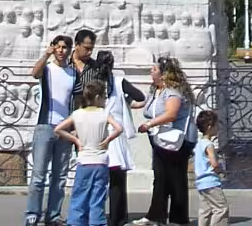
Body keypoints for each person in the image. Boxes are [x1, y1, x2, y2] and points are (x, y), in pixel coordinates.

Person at [135, 57, 195, 225]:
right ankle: (156, 215)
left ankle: (179, 218)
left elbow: (171, 114)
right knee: (161, 177)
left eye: (154, 69)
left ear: (163, 74)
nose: (150, 72)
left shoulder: (173, 92)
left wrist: (148, 124)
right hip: (161, 140)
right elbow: (145, 105)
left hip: (177, 141)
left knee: (175, 178)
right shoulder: (156, 90)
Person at [26, 34, 77, 226]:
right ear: (53, 48)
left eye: (65, 48)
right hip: (45, 125)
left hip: (64, 129)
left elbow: (75, 102)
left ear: (70, 50)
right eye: (58, 47)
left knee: (60, 177)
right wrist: (45, 55)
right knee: (39, 175)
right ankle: (33, 214)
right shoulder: (47, 69)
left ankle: (53, 216)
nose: (61, 51)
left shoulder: (73, 73)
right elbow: (34, 73)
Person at [55, 83, 122, 226]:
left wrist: (76, 140)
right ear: (97, 98)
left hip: (84, 160)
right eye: (104, 97)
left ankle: (76, 222)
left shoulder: (78, 114)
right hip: (101, 161)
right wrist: (108, 139)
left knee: (79, 195)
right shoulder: (104, 113)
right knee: (98, 197)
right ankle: (97, 222)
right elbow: (119, 128)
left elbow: (58, 129)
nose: (105, 100)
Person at [94, 50, 140, 226]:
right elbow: (139, 96)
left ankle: (96, 215)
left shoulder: (94, 82)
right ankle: (118, 218)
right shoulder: (119, 82)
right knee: (118, 180)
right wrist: (124, 100)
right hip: (116, 131)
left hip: (98, 129)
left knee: (96, 177)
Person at [193, 110, 228, 226]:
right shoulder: (209, 145)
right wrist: (221, 171)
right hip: (211, 182)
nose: (218, 128)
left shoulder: (199, 144)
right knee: (221, 208)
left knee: (205, 210)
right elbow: (214, 163)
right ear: (209, 127)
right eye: (216, 125)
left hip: (201, 183)